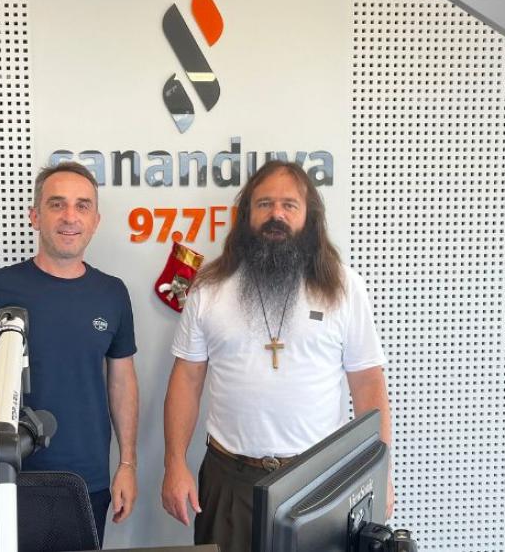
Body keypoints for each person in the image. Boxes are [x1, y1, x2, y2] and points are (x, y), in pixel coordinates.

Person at [161, 160, 393, 552]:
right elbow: (187, 378)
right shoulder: (210, 287)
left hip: (320, 481)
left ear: (309, 217)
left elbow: (368, 383)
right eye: (264, 204)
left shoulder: (343, 287)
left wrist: (380, 473)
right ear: (246, 215)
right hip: (230, 478)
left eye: (289, 205)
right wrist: (175, 463)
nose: (276, 214)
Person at [0, 161, 139, 540]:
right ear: (35, 216)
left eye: (82, 206)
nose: (70, 216)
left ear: (96, 220)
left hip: (87, 481)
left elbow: (122, 383)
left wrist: (127, 464)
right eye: (57, 204)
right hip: (7, 477)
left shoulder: (112, 293)